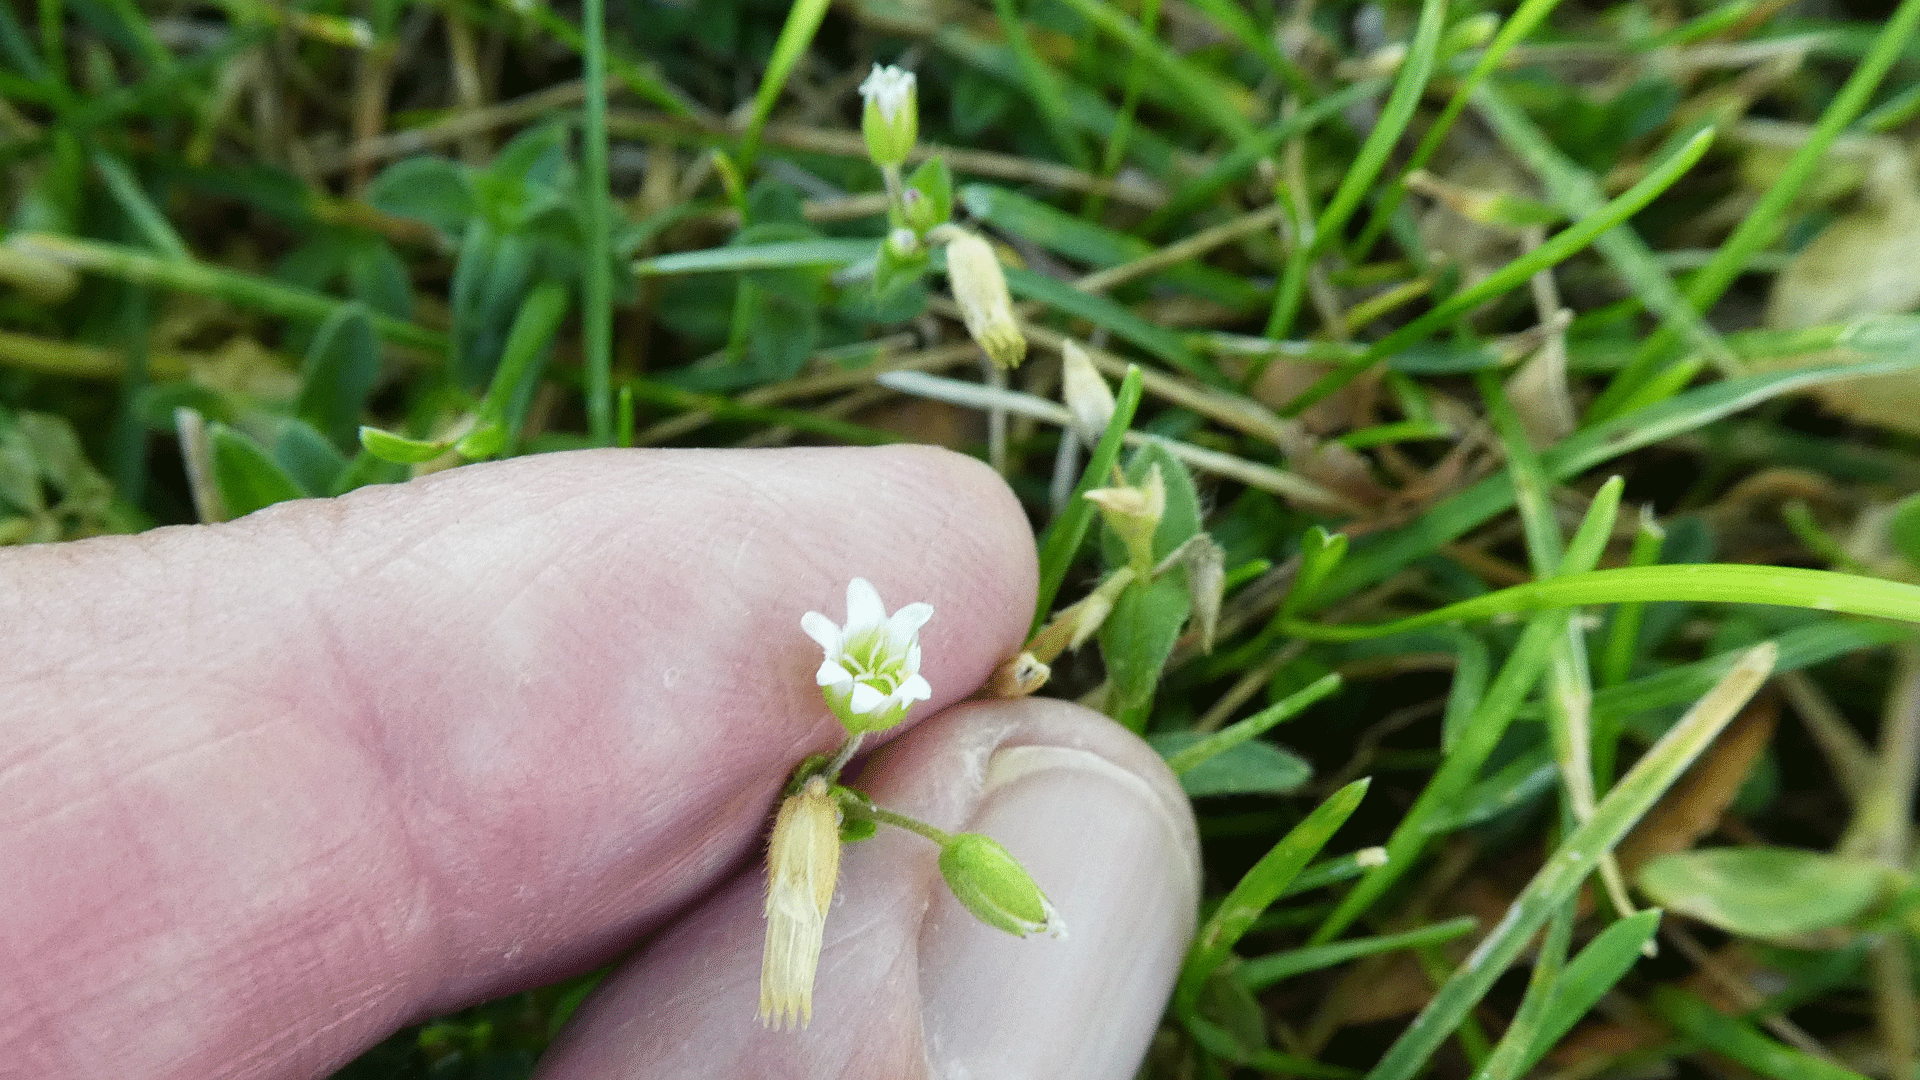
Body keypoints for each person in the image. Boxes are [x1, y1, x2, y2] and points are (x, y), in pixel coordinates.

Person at [2, 445, 1199, 1079]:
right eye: (868, 669)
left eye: (877, 672)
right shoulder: (833, 725)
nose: (874, 677)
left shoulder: (848, 739)